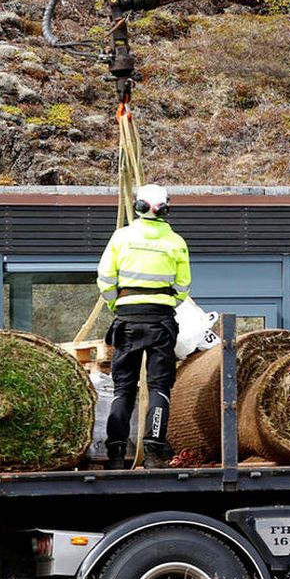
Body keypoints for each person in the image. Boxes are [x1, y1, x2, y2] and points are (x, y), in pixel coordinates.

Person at [96, 183, 192, 469]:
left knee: (123, 389)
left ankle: (115, 455)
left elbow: (105, 279)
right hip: (161, 322)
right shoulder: (176, 242)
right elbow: (183, 287)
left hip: (127, 321)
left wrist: (119, 307)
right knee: (159, 387)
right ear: (165, 209)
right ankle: (153, 452)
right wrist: (163, 305)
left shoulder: (120, 237)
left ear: (138, 206)